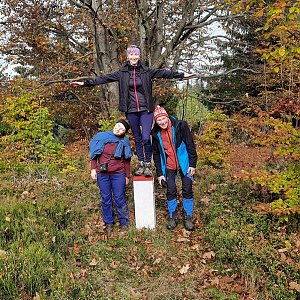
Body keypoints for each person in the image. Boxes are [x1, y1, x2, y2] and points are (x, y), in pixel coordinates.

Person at [70, 45, 196, 177]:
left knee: (146, 137)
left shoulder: (147, 71)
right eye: (131, 55)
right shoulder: (122, 73)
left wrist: (182, 75)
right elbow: (104, 78)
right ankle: (141, 163)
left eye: (136, 54)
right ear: (128, 56)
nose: (134, 57)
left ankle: (148, 163)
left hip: (146, 109)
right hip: (130, 110)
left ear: (139, 56)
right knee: (137, 138)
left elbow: (165, 73)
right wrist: (85, 83)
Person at [151, 106, 198, 231]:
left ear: (167, 117)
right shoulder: (155, 133)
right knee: (170, 189)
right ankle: (173, 215)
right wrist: (160, 173)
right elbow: (156, 154)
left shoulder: (180, 126)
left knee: (187, 188)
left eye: (163, 118)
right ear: (156, 121)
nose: (162, 122)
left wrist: (193, 164)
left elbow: (190, 145)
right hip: (169, 166)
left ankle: (188, 216)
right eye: (159, 120)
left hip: (185, 163)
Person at [90, 119, 132, 234]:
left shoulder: (125, 142)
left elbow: (127, 160)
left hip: (118, 174)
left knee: (119, 198)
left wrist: (127, 176)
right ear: (115, 125)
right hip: (102, 174)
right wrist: (93, 169)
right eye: (118, 126)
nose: (118, 129)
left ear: (124, 132)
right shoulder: (102, 137)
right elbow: (94, 154)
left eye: (122, 129)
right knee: (106, 199)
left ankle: (124, 222)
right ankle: (109, 222)